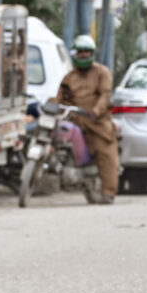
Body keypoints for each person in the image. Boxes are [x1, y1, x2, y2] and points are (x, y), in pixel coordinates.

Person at [54, 35, 119, 203]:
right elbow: (61, 98)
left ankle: (108, 192)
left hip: (97, 122)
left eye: (87, 52)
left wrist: (97, 110)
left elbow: (105, 94)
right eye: (80, 52)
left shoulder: (102, 72)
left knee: (105, 152)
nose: (83, 55)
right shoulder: (69, 78)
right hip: (75, 120)